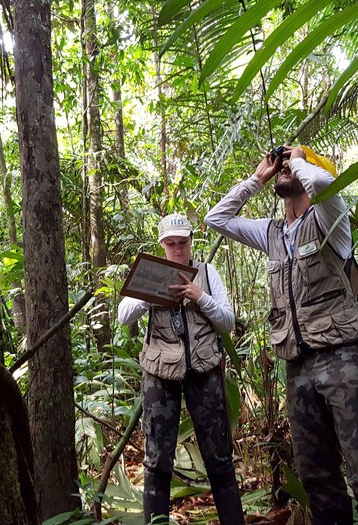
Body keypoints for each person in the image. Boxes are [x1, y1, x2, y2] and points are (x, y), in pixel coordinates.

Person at [204, 147, 358, 525]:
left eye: (290, 168)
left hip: (342, 357)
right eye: (283, 166)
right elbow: (217, 218)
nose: (284, 169)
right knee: (315, 474)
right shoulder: (272, 233)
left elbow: (325, 184)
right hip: (297, 364)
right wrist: (259, 178)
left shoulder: (331, 218)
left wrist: (298, 157)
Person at [118, 213, 244, 525]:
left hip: (205, 371)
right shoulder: (150, 271)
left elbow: (227, 321)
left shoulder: (207, 272)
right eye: (170, 243)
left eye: (182, 242)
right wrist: (151, 295)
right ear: (161, 244)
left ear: (191, 241)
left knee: (219, 459)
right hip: (160, 375)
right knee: (157, 462)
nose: (177, 249)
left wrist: (200, 297)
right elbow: (124, 315)